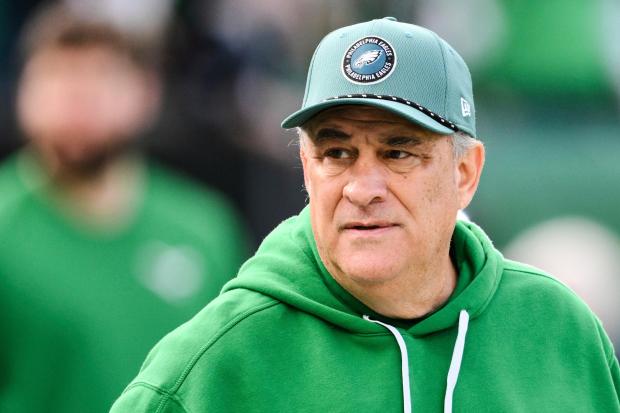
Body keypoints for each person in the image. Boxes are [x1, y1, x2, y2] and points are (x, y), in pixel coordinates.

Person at [110, 17, 620, 412]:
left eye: (398, 153)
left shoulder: (559, 330)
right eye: (337, 153)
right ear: (307, 168)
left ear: (465, 173)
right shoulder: (217, 361)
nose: (362, 188)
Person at [0, 5, 248, 412]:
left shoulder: (203, 230)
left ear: (147, 91)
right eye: (57, 74)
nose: (77, 96)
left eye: (101, 75)